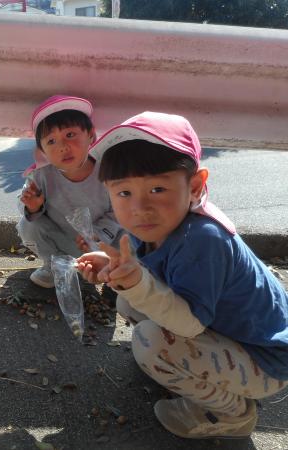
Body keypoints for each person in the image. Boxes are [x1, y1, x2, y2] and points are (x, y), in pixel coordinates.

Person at [77, 111, 288, 439]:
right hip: (227, 329)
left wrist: (135, 283)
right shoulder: (153, 227)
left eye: (157, 188)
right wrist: (112, 265)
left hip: (265, 359)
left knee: (150, 343)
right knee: (130, 303)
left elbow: (189, 324)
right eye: (124, 193)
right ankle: (192, 368)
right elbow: (151, 274)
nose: (140, 207)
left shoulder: (202, 240)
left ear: (195, 185)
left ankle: (232, 415)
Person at [17, 95, 123, 289]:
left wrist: (98, 234)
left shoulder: (109, 172)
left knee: (132, 237)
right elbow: (24, 203)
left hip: (104, 243)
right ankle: (55, 266)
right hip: (64, 242)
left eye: (70, 135)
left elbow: (120, 211)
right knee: (28, 225)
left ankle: (115, 271)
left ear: (91, 135)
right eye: (51, 141)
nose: (63, 147)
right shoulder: (41, 175)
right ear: (42, 151)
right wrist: (33, 207)